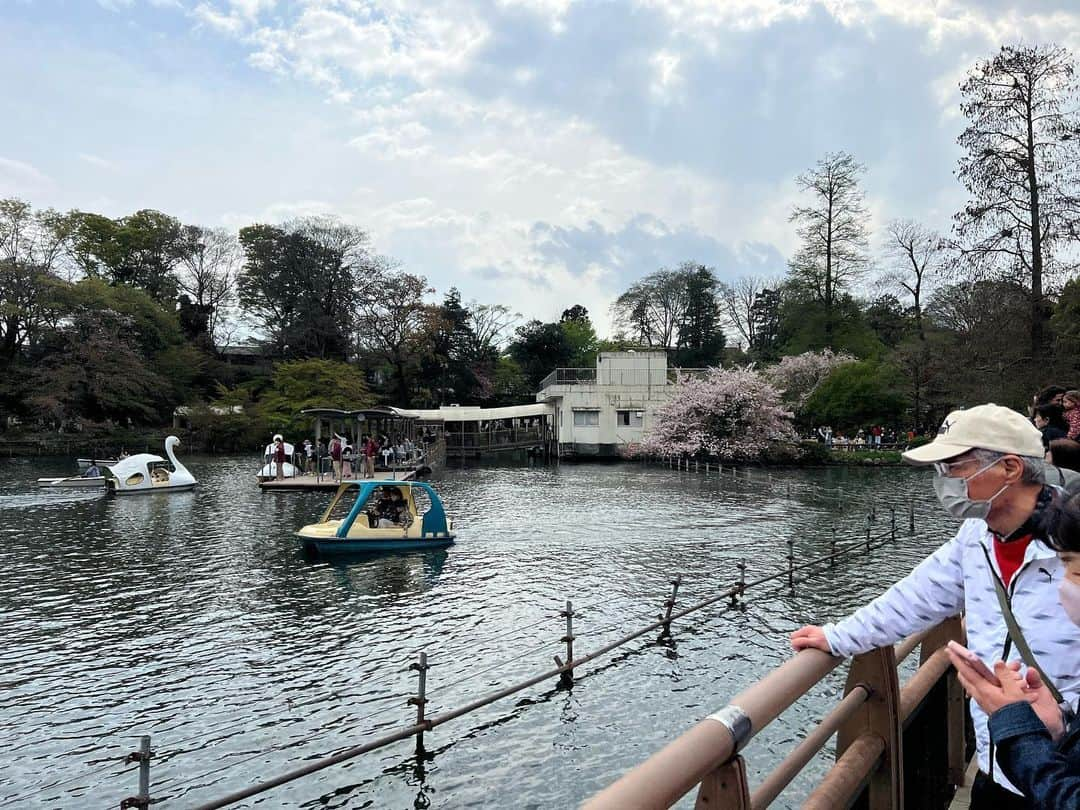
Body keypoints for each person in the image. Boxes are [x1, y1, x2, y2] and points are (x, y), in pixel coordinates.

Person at [790, 403, 1080, 808]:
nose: (944, 481)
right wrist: (836, 636)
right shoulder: (976, 536)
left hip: (1063, 770)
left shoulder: (1072, 544)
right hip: (998, 763)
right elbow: (916, 597)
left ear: (1010, 469)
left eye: (955, 467)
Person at [948, 489, 1080, 808]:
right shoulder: (976, 535)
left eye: (1075, 572)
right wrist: (1059, 731)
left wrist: (1018, 729)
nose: (1062, 585)